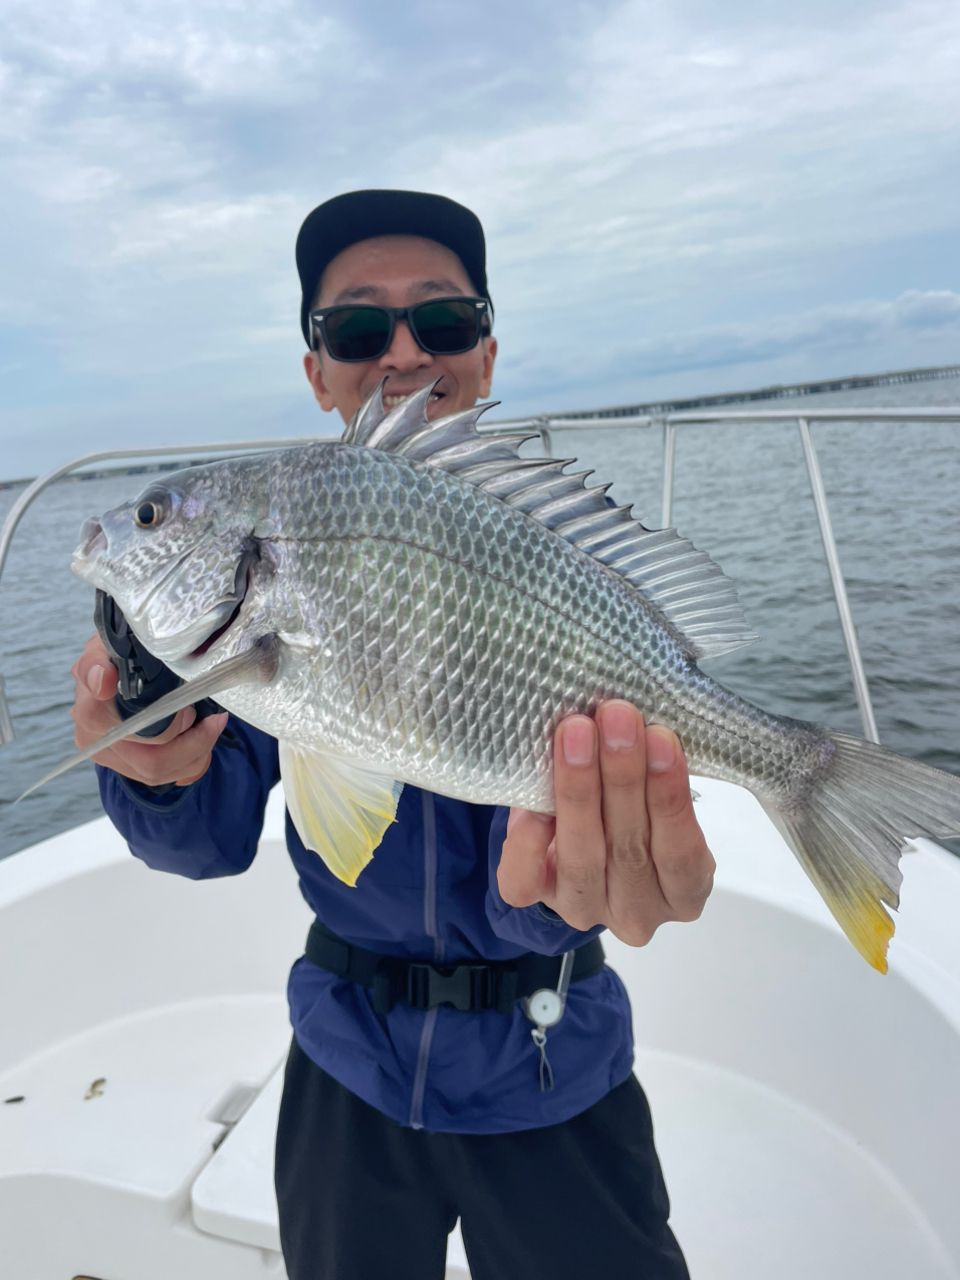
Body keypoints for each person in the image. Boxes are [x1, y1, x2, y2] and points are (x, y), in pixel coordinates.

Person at [70, 189, 715, 1280]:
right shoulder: (261, 586)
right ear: (318, 370)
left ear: (487, 351)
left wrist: (583, 882)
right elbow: (206, 841)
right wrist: (156, 770)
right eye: (359, 328)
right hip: (346, 1060)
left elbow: (557, 868)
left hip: (553, 1054)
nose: (405, 352)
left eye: (445, 321)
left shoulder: (534, 550)